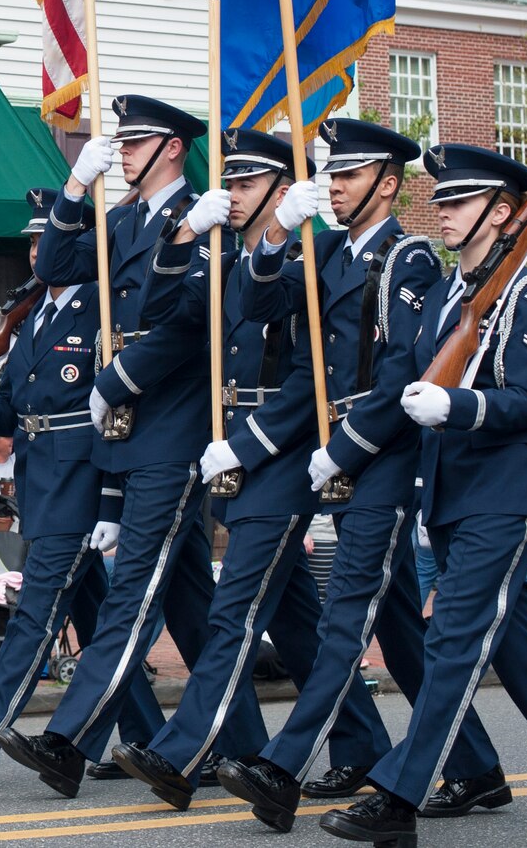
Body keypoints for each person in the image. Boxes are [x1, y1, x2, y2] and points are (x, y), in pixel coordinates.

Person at [316, 144, 527, 847]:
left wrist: (455, 408)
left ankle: (397, 795)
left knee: (454, 637)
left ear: (501, 211)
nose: (444, 213)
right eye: (443, 201)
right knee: (517, 649)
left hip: (505, 496)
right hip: (452, 499)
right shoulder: (445, 298)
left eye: (459, 202)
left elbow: (524, 402)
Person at [111, 129, 394, 814]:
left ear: (279, 188)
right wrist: (181, 237)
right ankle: (375, 750)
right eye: (230, 185)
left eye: (244, 186)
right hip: (241, 447)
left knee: (235, 606)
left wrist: (251, 443)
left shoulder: (322, 249)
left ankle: (185, 752)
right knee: (300, 623)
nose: (231, 197)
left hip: (289, 448)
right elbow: (159, 313)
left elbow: (312, 373)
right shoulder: (241, 256)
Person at [0, 99, 272, 799]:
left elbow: (186, 323)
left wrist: (119, 377)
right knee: (188, 600)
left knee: (137, 585)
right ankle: (244, 744)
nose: (121, 152)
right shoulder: (120, 219)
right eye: (120, 142)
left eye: (137, 141)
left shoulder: (209, 219)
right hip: (124, 429)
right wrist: (72, 191)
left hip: (173, 421)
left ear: (174, 148)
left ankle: (71, 737)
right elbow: (55, 263)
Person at [249, 117, 491, 824]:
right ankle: (476, 767)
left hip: (380, 457)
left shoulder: (408, 258)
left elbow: (401, 377)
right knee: (396, 626)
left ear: (388, 184)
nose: (335, 184)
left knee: (344, 616)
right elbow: (259, 304)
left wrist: (345, 449)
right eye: (332, 173)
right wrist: (273, 236)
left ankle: (281, 765)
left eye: (349, 175)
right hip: (340, 454)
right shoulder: (324, 251)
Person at [0, 185, 164, 790]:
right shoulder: (31, 317)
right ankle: (145, 735)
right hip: (40, 479)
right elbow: (10, 412)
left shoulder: (103, 311)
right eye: (34, 242)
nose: (38, 252)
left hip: (83, 477)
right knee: (90, 612)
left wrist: (112, 494)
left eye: (49, 241)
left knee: (36, 611)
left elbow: (117, 410)